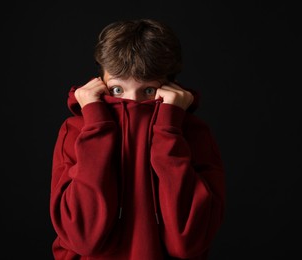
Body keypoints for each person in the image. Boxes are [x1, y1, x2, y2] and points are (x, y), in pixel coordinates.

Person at [50, 18, 226, 260]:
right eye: (117, 90)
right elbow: (83, 238)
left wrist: (169, 131)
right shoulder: (77, 129)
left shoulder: (193, 133)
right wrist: (97, 127)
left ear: (170, 87)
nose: (133, 102)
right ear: (99, 82)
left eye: (149, 91)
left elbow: (187, 242)